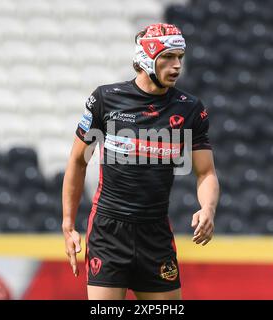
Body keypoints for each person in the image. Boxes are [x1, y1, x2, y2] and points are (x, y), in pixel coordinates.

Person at [62, 23, 220, 300]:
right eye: (168, 57)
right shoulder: (105, 99)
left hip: (155, 234)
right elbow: (78, 161)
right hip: (108, 232)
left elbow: (205, 172)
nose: (176, 66)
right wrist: (68, 223)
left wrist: (208, 207)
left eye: (180, 58)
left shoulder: (190, 108)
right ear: (147, 58)